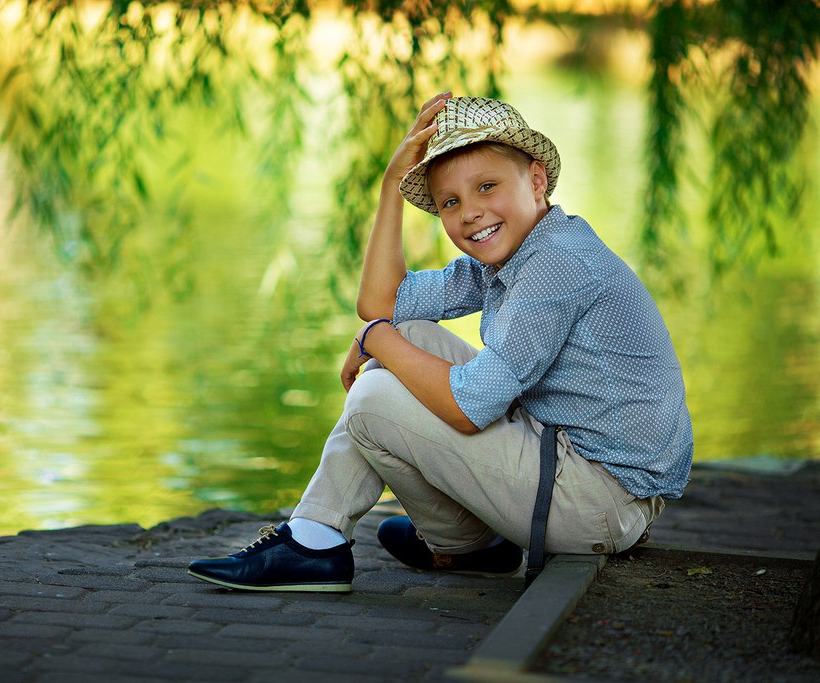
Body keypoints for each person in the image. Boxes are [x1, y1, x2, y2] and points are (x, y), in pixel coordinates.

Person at [187, 93, 694, 592]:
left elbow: (467, 408)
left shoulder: (557, 265)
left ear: (536, 181)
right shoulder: (511, 256)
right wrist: (391, 188)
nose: (470, 213)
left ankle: (338, 542)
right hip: (568, 470)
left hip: (599, 504)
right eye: (451, 202)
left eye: (487, 187)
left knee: (372, 397)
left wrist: (374, 340)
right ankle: (447, 541)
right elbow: (383, 301)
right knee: (408, 334)